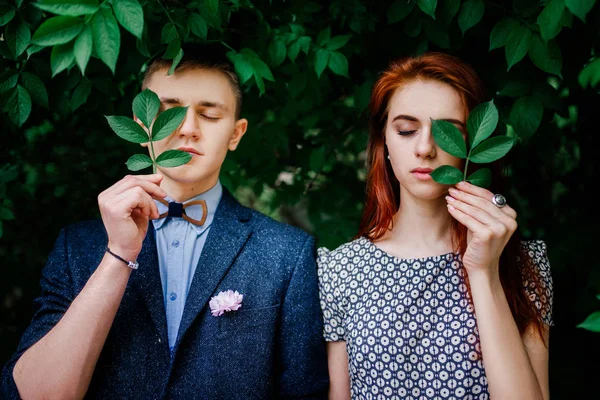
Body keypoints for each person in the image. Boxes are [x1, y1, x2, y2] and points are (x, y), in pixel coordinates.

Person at [1, 44, 329, 399]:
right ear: (142, 126)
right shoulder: (76, 246)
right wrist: (118, 255)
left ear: (236, 133)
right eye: (169, 111)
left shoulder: (288, 254)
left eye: (210, 115)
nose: (187, 129)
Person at [317, 52, 553, 399]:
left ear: (472, 145)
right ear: (384, 143)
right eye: (407, 130)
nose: (425, 148)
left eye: (448, 132)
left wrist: (484, 272)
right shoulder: (339, 270)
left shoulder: (523, 263)